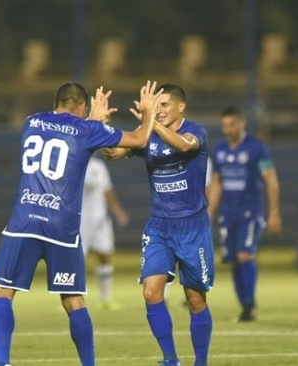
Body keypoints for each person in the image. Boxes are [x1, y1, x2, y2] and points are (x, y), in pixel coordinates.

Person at [0, 80, 162, 366]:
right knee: (73, 300)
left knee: (2, 292)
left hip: (25, 221)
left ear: (56, 102)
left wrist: (93, 121)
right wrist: (148, 112)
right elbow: (140, 140)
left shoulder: (32, 122)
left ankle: (2, 362)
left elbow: (67, 132)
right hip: (63, 229)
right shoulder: (87, 130)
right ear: (82, 106)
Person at [102, 83, 214, 366]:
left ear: (180, 107)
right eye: (157, 105)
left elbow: (183, 144)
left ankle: (201, 362)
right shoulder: (147, 135)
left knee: (195, 300)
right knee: (151, 292)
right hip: (159, 227)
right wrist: (102, 127)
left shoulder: (197, 131)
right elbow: (113, 153)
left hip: (192, 227)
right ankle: (170, 360)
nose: (160, 110)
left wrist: (149, 120)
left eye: (164, 105)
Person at [207, 106, 282, 322]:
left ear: (241, 124)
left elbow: (271, 180)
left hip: (250, 211)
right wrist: (210, 212)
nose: (227, 129)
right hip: (227, 213)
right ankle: (245, 305)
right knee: (233, 260)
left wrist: (274, 212)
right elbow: (217, 183)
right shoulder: (219, 150)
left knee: (244, 255)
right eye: (224, 125)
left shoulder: (257, 148)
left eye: (231, 124)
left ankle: (249, 305)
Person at [81, 154, 130, 310]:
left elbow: (107, 190)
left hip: (100, 219)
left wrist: (118, 212)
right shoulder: (73, 162)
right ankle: (73, 297)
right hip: (80, 220)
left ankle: (105, 298)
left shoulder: (99, 166)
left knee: (105, 255)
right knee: (76, 259)